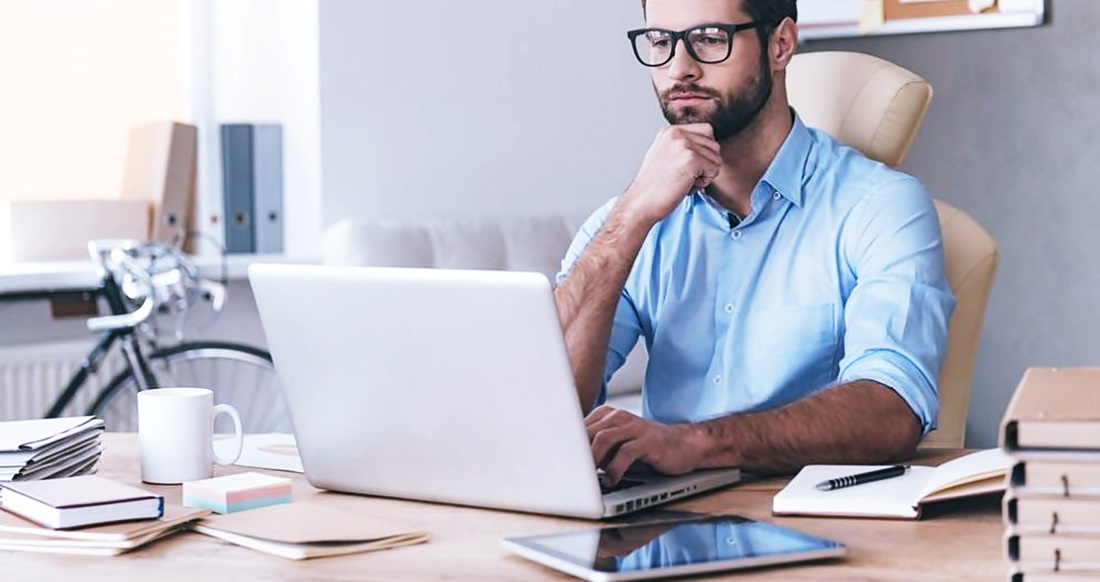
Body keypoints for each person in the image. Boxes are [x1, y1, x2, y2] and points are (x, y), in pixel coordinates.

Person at [553, 0, 955, 486]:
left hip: (815, 524)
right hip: (657, 524)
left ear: (781, 44)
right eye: (660, 41)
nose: (679, 68)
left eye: (708, 38)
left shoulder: (881, 207)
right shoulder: (628, 218)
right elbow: (543, 405)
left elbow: (892, 410)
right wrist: (632, 216)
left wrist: (692, 443)